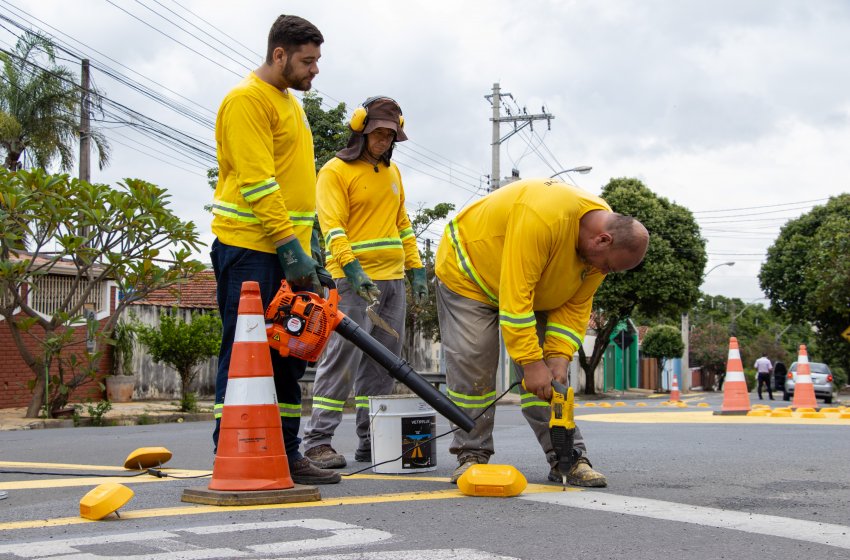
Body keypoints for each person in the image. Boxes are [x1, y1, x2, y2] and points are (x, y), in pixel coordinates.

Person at [434, 178, 649, 485]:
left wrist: (558, 357)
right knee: (474, 360)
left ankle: (566, 457)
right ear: (602, 240)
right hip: (469, 273)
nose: (604, 272)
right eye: (609, 267)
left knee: (553, 379)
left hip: (532, 287)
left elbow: (575, 305)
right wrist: (531, 363)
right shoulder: (543, 216)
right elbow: (516, 296)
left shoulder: (602, 243)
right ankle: (471, 455)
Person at [209, 14, 340, 485]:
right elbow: (259, 184)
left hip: (283, 252)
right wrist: (290, 249)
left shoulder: (289, 104)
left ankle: (285, 451)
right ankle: (233, 451)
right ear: (279, 54)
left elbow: (294, 190)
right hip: (250, 251)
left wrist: (307, 251)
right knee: (246, 354)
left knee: (287, 354)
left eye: (317, 60)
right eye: (307, 61)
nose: (315, 69)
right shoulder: (247, 100)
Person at [302, 97, 427, 468]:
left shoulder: (392, 173)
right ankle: (317, 442)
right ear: (361, 129)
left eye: (391, 135)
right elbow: (332, 227)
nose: (384, 140)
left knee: (382, 365)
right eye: (378, 133)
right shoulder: (335, 171)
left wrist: (417, 269)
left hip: (393, 281)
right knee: (341, 360)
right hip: (352, 281)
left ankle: (372, 441)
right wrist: (353, 269)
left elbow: (402, 224)